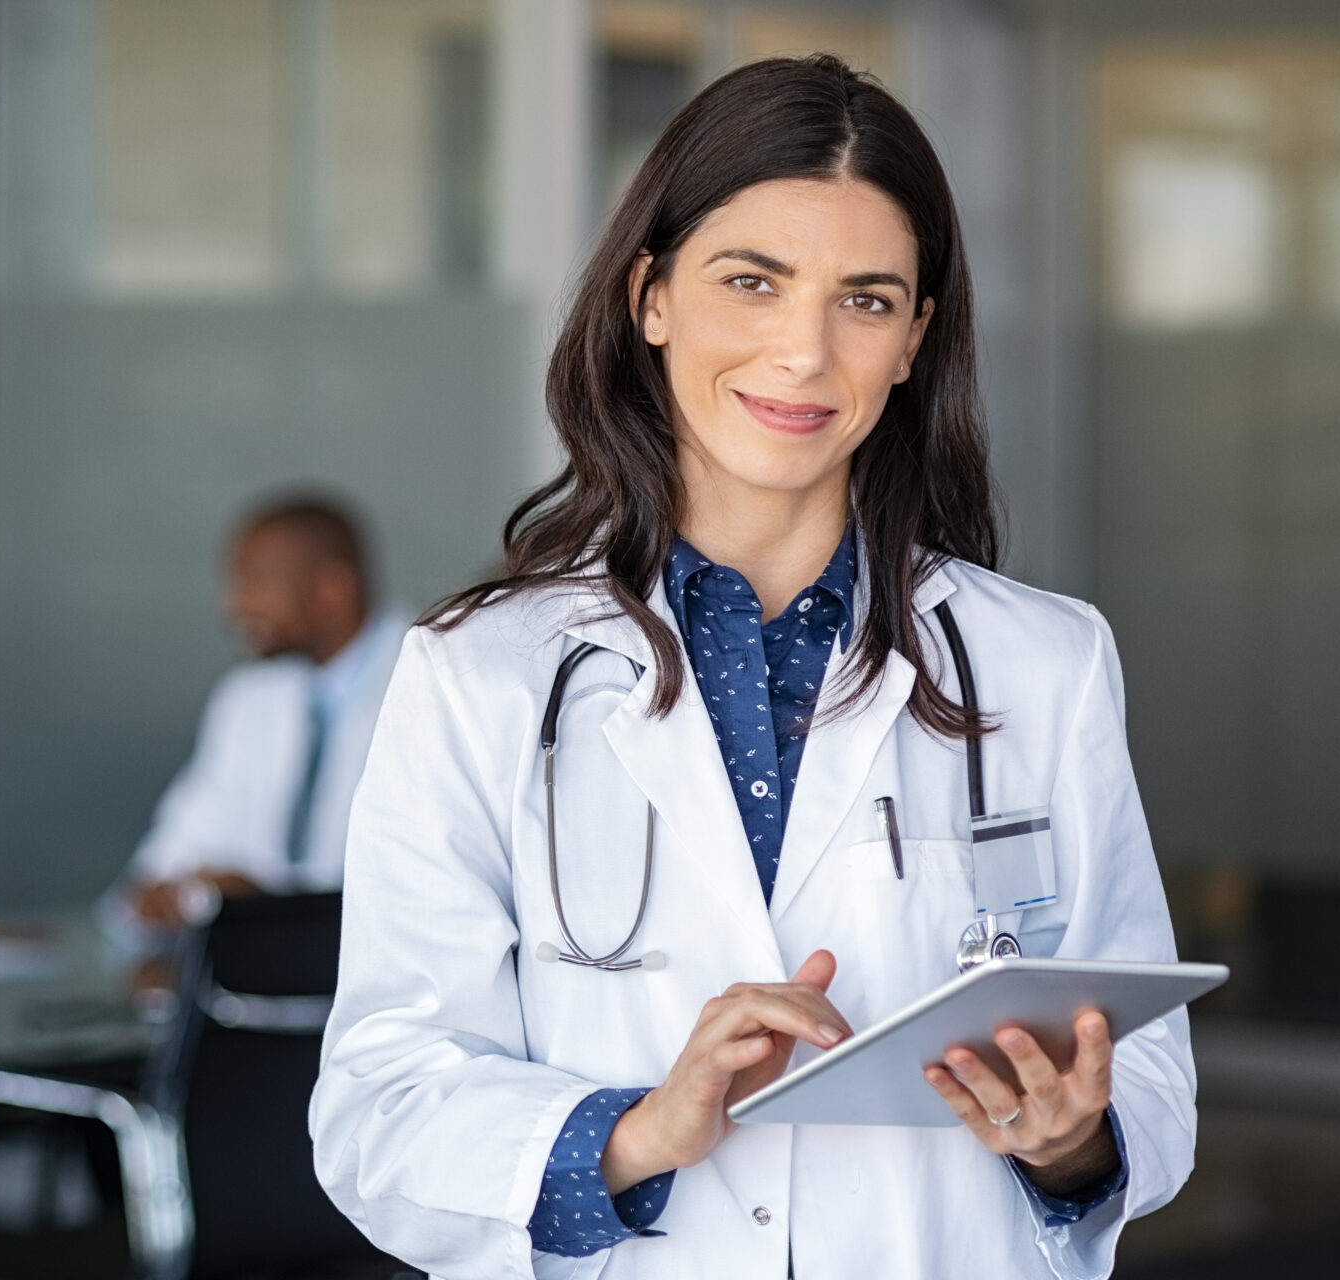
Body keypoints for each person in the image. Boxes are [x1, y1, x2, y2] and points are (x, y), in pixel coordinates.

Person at [310, 56, 1193, 1280]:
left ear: (913, 341)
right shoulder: (481, 674)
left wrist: (1072, 1138)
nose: (804, 351)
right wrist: (634, 1131)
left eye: (867, 300)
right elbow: (379, 1104)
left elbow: (1146, 1061)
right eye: (752, 281)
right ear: (651, 296)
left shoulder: (1043, 662)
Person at [105, 495, 405, 930]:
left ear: (333, 589)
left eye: (257, 585)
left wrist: (268, 904)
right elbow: (173, 851)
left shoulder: (433, 688)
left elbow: (413, 891)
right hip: (250, 984)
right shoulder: (248, 699)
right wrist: (165, 892)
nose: (234, 608)